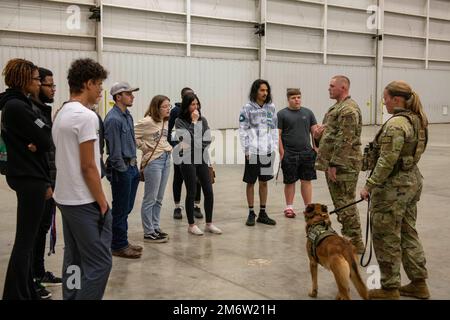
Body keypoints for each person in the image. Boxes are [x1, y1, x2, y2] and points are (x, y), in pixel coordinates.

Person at [360, 80, 430, 300]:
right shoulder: (417, 120)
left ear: (396, 99)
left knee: (386, 236)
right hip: (411, 182)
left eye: (386, 98)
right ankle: (419, 283)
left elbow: (387, 160)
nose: (384, 101)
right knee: (408, 233)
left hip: (393, 188)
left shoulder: (396, 124)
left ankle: (389, 288)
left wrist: (369, 186)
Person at [52, 58, 111, 300]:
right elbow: (88, 166)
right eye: (98, 85)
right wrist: (102, 202)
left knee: (74, 258)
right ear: (88, 83)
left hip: (65, 198)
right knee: (99, 264)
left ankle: (71, 296)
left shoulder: (62, 112)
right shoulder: (86, 117)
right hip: (82, 200)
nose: (100, 91)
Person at [1, 58, 53, 300]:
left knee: (28, 239)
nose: (39, 83)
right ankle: (16, 294)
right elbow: (45, 138)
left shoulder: (21, 104)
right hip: (28, 176)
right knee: (25, 241)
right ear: (24, 80)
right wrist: (37, 143)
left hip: (29, 173)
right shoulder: (16, 107)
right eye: (36, 79)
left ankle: (25, 289)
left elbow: (43, 135)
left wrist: (39, 141)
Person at [314, 75, 365, 253]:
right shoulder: (335, 108)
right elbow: (331, 136)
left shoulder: (349, 110)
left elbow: (346, 140)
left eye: (332, 86)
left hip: (344, 166)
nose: (329, 88)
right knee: (341, 204)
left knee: (346, 204)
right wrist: (318, 135)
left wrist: (335, 163)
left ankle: (355, 243)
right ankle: (350, 239)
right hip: (334, 164)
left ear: (343, 88)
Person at [29, 67, 61, 299]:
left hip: (49, 178)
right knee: (34, 233)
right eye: (49, 85)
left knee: (42, 230)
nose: (53, 89)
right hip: (39, 181)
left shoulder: (43, 111)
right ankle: (31, 278)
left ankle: (38, 272)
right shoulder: (29, 111)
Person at [174, 92, 222, 236]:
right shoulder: (179, 121)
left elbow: (207, 140)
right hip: (186, 160)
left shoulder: (204, 120)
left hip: (201, 159)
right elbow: (185, 142)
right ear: (186, 106)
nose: (196, 107)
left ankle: (209, 223)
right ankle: (191, 225)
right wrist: (194, 124)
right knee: (191, 192)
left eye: (197, 104)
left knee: (209, 191)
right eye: (192, 104)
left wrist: (196, 141)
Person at [104, 81, 142, 259]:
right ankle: (118, 245)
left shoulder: (127, 116)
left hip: (131, 167)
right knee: (120, 208)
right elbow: (114, 150)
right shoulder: (113, 119)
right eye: (128, 93)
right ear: (118, 97)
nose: (132, 96)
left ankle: (120, 241)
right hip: (122, 169)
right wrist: (122, 170)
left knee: (126, 207)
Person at [239, 79, 278, 227]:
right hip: (253, 151)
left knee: (264, 182)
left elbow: (274, 127)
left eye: (266, 90)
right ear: (255, 91)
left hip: (267, 150)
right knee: (251, 182)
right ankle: (251, 212)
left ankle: (262, 212)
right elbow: (243, 130)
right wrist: (247, 150)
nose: (265, 93)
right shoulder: (247, 108)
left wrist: (273, 146)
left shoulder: (271, 107)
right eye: (262, 90)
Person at [135, 95, 172, 243]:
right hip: (154, 162)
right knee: (150, 198)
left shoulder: (165, 121)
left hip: (166, 159)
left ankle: (155, 227)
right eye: (164, 106)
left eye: (168, 106)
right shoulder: (147, 121)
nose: (168, 108)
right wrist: (144, 147)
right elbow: (130, 133)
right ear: (156, 108)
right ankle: (148, 231)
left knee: (159, 198)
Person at [278, 88, 318, 218]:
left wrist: (316, 148)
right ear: (288, 99)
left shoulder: (308, 113)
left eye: (299, 97)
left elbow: (314, 132)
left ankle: (308, 207)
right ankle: (289, 207)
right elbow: (277, 135)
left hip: (306, 153)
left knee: (306, 180)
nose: (297, 100)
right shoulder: (282, 114)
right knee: (290, 181)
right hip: (289, 153)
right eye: (294, 98)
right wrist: (282, 151)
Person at [168, 87, 203, 220]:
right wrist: (175, 146)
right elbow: (169, 130)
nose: (194, 105)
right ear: (183, 100)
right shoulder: (176, 112)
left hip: (196, 151)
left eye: (195, 100)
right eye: (190, 99)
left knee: (197, 178)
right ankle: (177, 207)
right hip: (181, 150)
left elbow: (201, 131)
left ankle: (196, 205)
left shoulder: (197, 110)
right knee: (178, 178)